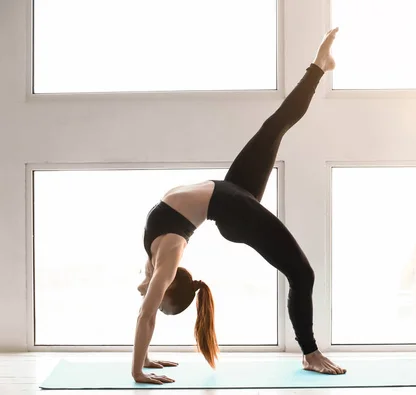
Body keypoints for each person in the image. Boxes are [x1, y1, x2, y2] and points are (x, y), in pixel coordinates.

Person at [132, 28, 346, 385]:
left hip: (229, 196)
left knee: (275, 125)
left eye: (163, 305)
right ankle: (310, 353)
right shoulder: (162, 255)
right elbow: (147, 304)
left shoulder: (160, 263)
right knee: (302, 273)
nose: (155, 303)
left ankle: (319, 67)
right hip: (229, 205)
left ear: (166, 288)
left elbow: (145, 312)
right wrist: (146, 354)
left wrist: (139, 368)